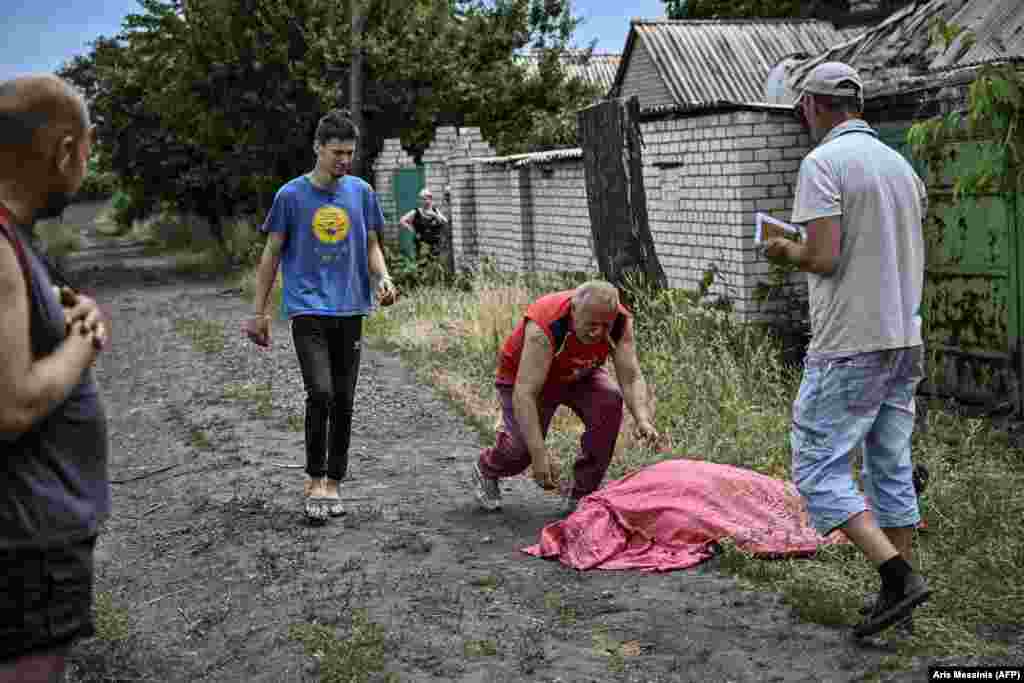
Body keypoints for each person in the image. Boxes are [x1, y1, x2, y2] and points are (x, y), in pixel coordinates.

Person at [762, 61, 931, 638]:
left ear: (811, 105)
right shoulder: (900, 166)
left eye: (800, 110)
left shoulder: (823, 163)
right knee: (891, 464)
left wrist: (784, 249)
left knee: (816, 466)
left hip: (849, 344)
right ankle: (899, 607)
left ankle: (897, 576)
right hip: (903, 339)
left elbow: (826, 257)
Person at [0, 74, 111, 683]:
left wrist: (72, 311)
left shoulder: (16, 241)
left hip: (34, 535)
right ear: (67, 151)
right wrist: (82, 343)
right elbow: (10, 404)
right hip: (26, 545)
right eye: (87, 150)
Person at [243, 110, 396, 523]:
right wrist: (258, 312)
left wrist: (383, 277)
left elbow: (370, 245)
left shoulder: (361, 192)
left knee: (344, 398)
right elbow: (272, 253)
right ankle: (314, 479)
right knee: (322, 392)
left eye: (350, 152)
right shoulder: (291, 196)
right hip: (308, 307)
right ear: (317, 148)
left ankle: (334, 481)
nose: (344, 160)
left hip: (351, 308)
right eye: (337, 152)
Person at [470, 280, 659, 513]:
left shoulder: (619, 322)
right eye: (591, 324)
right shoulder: (546, 324)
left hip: (578, 372)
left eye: (604, 325)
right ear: (573, 311)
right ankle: (487, 468)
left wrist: (642, 419)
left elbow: (630, 377)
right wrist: (538, 457)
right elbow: (525, 393)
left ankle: (582, 495)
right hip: (527, 379)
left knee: (609, 400)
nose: (598, 332)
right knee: (522, 451)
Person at [399, 188, 448, 259]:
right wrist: (412, 229)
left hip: (434, 244)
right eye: (422, 199)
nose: (424, 201)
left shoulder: (435, 211)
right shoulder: (416, 211)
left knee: (434, 263)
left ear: (430, 199)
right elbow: (402, 220)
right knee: (421, 262)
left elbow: (444, 222)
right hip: (421, 244)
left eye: (426, 199)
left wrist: (434, 215)